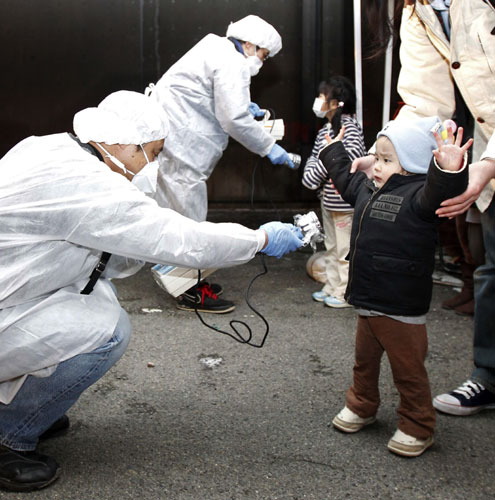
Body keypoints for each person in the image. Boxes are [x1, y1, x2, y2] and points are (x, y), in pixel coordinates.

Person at [0, 90, 303, 492]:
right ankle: (10, 434)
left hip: (16, 292)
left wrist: (143, 251)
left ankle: (32, 402)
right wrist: (259, 239)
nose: (153, 164)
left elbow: (97, 248)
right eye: (154, 153)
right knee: (108, 331)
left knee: (97, 298)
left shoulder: (52, 148)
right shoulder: (89, 186)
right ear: (125, 143)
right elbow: (182, 239)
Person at [361, 0, 495, 415]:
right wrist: (385, 152)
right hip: (487, 145)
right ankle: (489, 376)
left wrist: (486, 166)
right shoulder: (419, 9)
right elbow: (423, 102)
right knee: (492, 266)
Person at [320, 116, 472, 457]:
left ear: (414, 164)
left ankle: (418, 426)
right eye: (377, 156)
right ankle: (361, 406)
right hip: (367, 301)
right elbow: (345, 179)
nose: (376, 166)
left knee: (408, 371)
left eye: (387, 160)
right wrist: (333, 150)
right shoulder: (368, 188)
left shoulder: (421, 197)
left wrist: (447, 168)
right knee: (364, 362)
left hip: (401, 307)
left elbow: (442, 188)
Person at [146, 14, 294, 313]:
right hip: (183, 146)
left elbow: (212, 99)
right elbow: (233, 118)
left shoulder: (214, 46)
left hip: (175, 139)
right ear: (250, 44)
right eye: (263, 55)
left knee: (178, 216)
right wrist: (269, 147)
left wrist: (241, 105)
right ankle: (188, 290)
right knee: (188, 220)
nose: (262, 62)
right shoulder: (232, 62)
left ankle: (188, 279)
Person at [302, 75, 366, 308]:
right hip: (329, 200)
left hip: (343, 202)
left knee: (345, 250)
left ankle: (344, 292)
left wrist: (314, 174)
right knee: (332, 246)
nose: (318, 101)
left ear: (336, 102)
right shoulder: (327, 129)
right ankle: (331, 284)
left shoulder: (349, 128)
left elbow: (348, 162)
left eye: (322, 96)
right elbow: (318, 162)